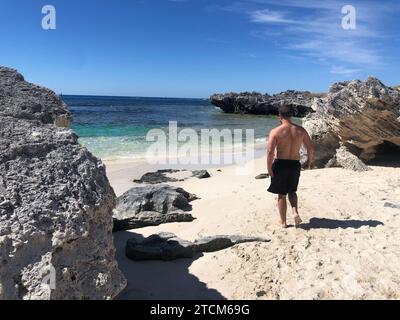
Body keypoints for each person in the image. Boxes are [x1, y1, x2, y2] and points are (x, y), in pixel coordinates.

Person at [267, 105, 314, 228]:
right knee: (292, 191)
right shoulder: (301, 130)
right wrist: (309, 161)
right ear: (291, 116)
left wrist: (269, 168)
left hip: (280, 164)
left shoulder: (275, 131)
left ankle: (283, 222)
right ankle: (295, 211)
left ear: (280, 116)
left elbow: (270, 152)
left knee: (281, 194)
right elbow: (310, 147)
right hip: (294, 164)